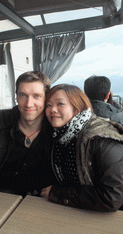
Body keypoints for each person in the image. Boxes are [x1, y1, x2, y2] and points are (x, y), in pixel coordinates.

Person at [40, 84, 123, 212]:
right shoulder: (60, 135)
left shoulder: (102, 139)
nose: (53, 110)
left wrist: (57, 193)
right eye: (49, 105)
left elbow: (112, 197)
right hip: (73, 210)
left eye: (60, 104)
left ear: (78, 107)